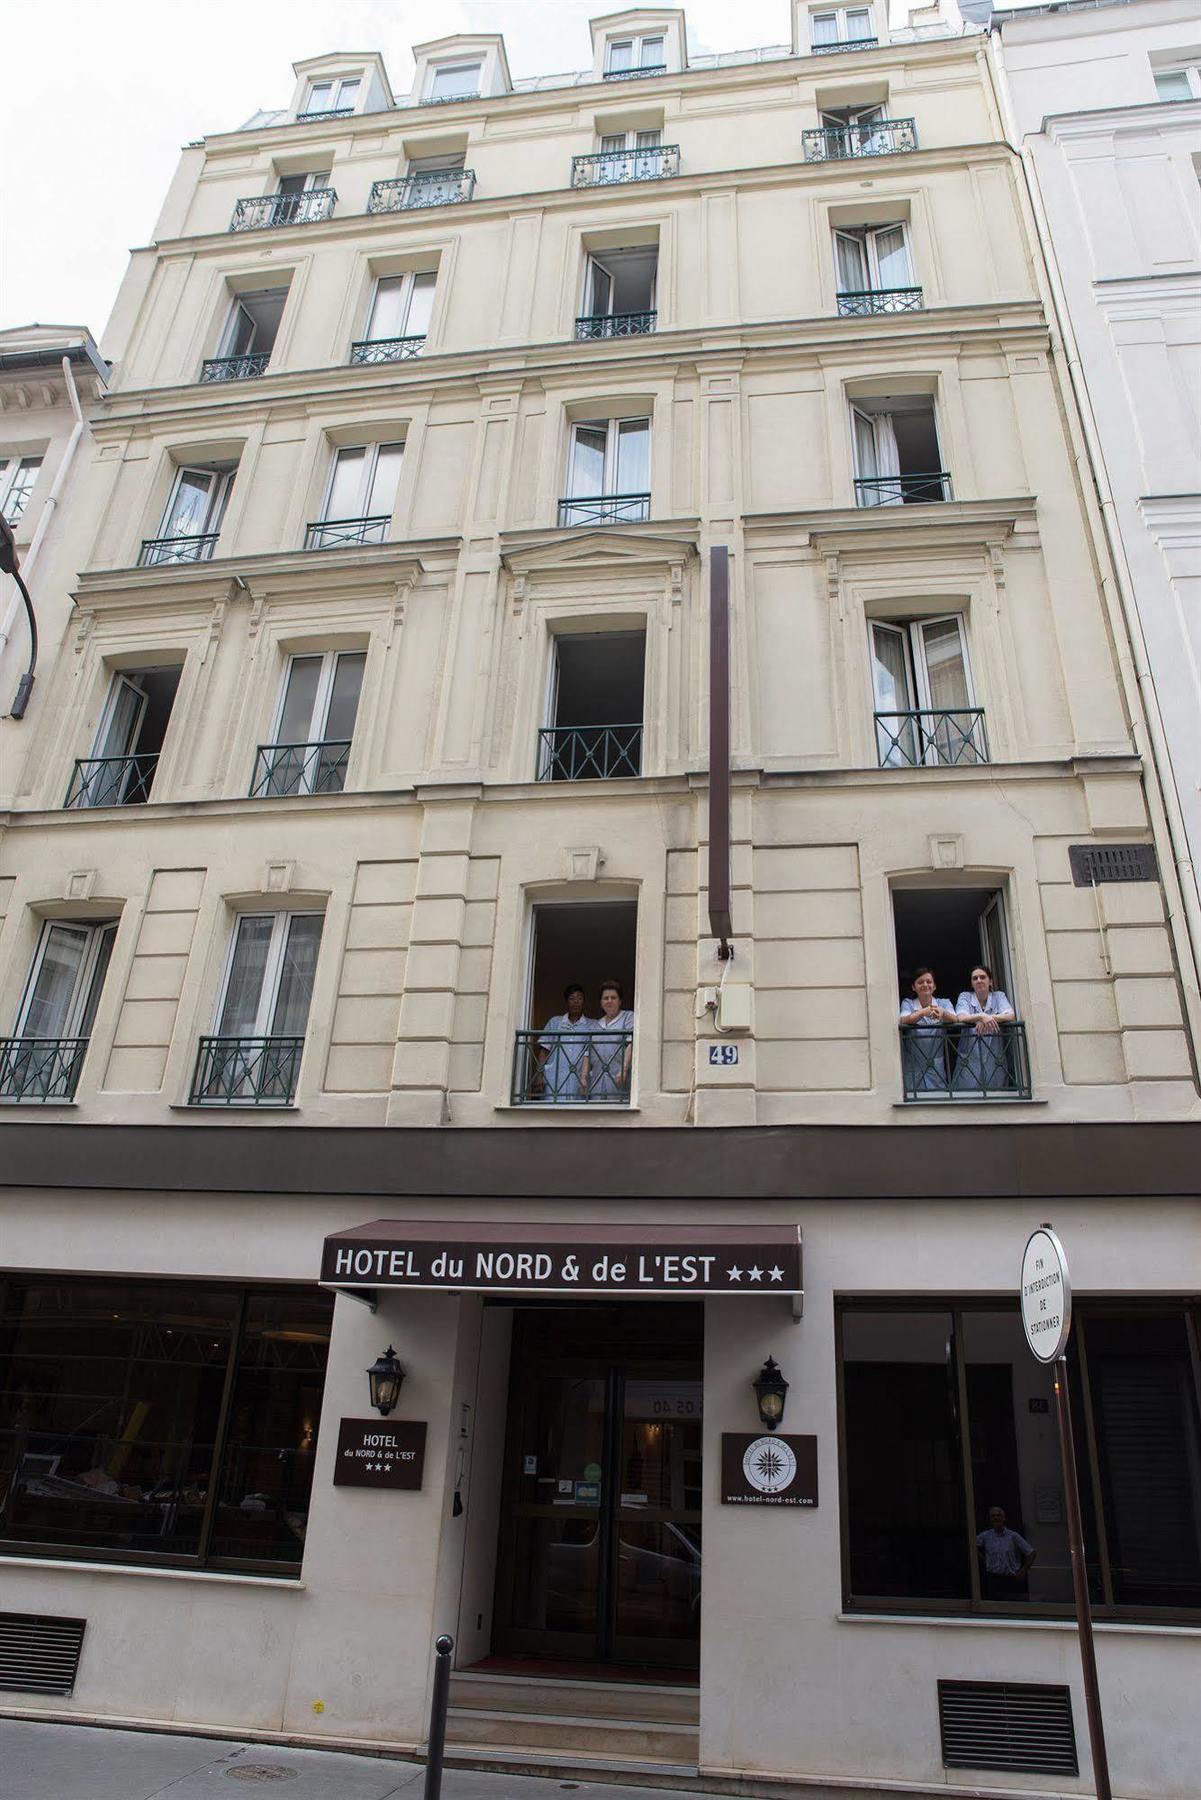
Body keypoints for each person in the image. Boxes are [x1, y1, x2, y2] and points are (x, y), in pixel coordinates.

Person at [953, 964, 1015, 1093]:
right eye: (975, 978)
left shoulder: (999, 996)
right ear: (971, 983)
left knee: (998, 1100)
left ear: (990, 981)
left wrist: (989, 1018)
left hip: (994, 1059)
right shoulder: (965, 996)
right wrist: (981, 1016)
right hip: (970, 1061)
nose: (979, 980)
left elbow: (1010, 1015)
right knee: (968, 1101)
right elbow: (961, 1017)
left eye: (982, 977)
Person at [898, 968, 958, 1093]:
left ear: (934, 986)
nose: (925, 985)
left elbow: (956, 1019)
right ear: (913, 987)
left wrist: (943, 1013)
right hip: (914, 1068)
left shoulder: (944, 1003)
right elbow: (903, 1020)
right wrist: (922, 1012)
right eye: (920, 982)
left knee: (938, 1101)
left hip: (936, 1069)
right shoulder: (908, 1003)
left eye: (928, 981)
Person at [535, 983, 594, 1102]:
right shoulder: (555, 1022)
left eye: (579, 998)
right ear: (566, 1002)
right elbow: (544, 1050)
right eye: (572, 998)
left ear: (584, 1001)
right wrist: (539, 1075)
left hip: (579, 1081)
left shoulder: (591, 1025)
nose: (576, 1001)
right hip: (554, 1079)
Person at [583, 980, 635, 1100]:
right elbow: (586, 1052)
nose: (609, 1001)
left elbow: (632, 1043)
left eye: (613, 998)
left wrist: (624, 1069)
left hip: (619, 1081)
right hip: (596, 1082)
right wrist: (583, 1076)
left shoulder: (628, 1017)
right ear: (601, 1003)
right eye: (606, 998)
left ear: (620, 1001)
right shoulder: (595, 1025)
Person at [977, 1504, 1035, 1600]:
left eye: (998, 1515)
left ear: (1004, 1518)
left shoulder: (1013, 1536)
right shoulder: (985, 1536)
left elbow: (1031, 1553)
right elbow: (972, 1546)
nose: (996, 1518)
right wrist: (984, 1560)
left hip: (1011, 1579)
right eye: (993, 1516)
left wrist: (1023, 1571)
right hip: (993, 1579)